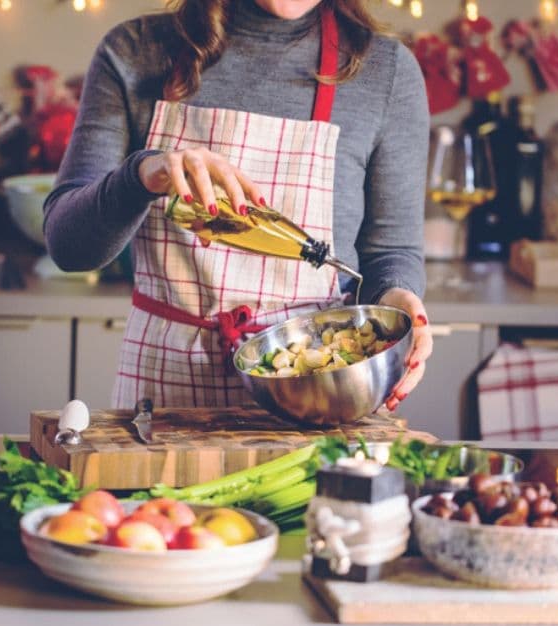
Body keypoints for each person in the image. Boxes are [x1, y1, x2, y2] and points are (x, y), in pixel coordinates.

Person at [44, 0, 432, 412]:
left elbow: (390, 252)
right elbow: (69, 248)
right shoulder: (134, 51)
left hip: (319, 391)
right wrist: (143, 175)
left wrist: (399, 302)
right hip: (162, 403)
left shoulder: (386, 70)